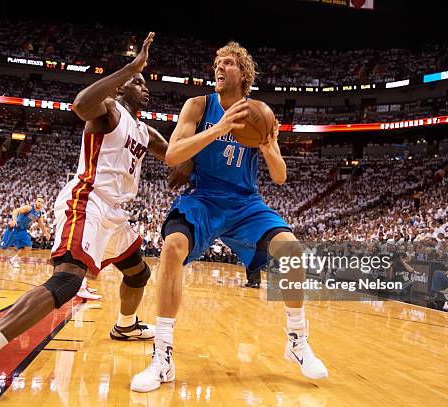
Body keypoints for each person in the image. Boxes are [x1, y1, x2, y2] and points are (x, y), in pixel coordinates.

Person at [0, 32, 191, 400]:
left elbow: (174, 157)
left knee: (138, 273)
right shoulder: (107, 112)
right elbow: (79, 104)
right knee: (67, 282)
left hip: (115, 215)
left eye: (144, 81)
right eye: (138, 82)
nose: (145, 87)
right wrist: (130, 67)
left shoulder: (145, 130)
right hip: (87, 202)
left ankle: (125, 325)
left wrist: (200, 152)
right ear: (121, 88)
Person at [131, 41, 328, 393]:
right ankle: (162, 355)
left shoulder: (259, 114)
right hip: (204, 198)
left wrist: (268, 149)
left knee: (292, 251)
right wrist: (218, 129)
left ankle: (297, 340)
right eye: (218, 62)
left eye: (229, 62)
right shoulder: (198, 106)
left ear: (244, 73)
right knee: (173, 247)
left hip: (244, 203)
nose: (220, 67)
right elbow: (173, 155)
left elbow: (280, 177)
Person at [0, 196, 51, 268]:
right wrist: (14, 220)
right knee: (2, 247)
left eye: (41, 202)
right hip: (14, 228)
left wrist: (46, 233)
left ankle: (13, 260)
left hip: (22, 231)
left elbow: (40, 224)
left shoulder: (39, 213)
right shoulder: (29, 208)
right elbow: (16, 211)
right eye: (38, 201)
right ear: (35, 202)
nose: (40, 203)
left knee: (28, 247)